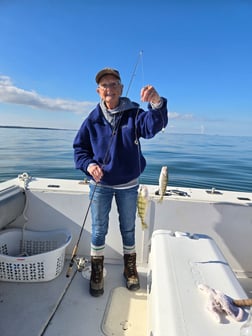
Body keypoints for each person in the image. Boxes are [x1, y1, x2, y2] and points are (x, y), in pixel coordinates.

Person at [73, 68, 168, 297]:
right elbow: (80, 150)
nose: (109, 89)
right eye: (104, 85)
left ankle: (130, 267)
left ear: (121, 88)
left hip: (128, 184)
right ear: (98, 91)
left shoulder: (134, 114)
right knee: (98, 230)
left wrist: (156, 103)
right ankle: (97, 269)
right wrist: (89, 166)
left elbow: (152, 126)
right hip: (100, 185)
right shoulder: (92, 120)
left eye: (114, 84)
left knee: (128, 227)